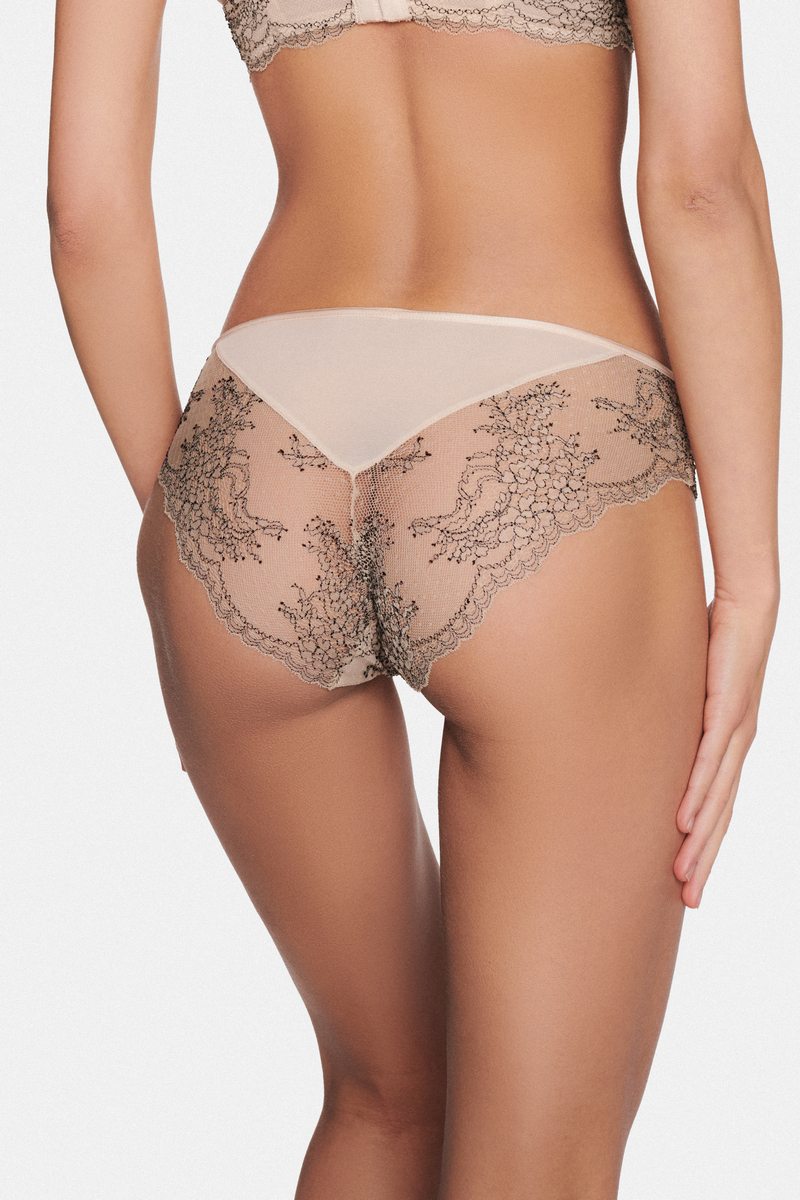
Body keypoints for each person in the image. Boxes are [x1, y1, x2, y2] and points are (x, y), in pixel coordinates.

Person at [48, 1, 781, 1194]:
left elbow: (85, 211)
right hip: (546, 414)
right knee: (535, 1164)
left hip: (256, 439)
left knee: (383, 1099)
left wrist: (184, 525)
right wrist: (746, 578)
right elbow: (699, 182)